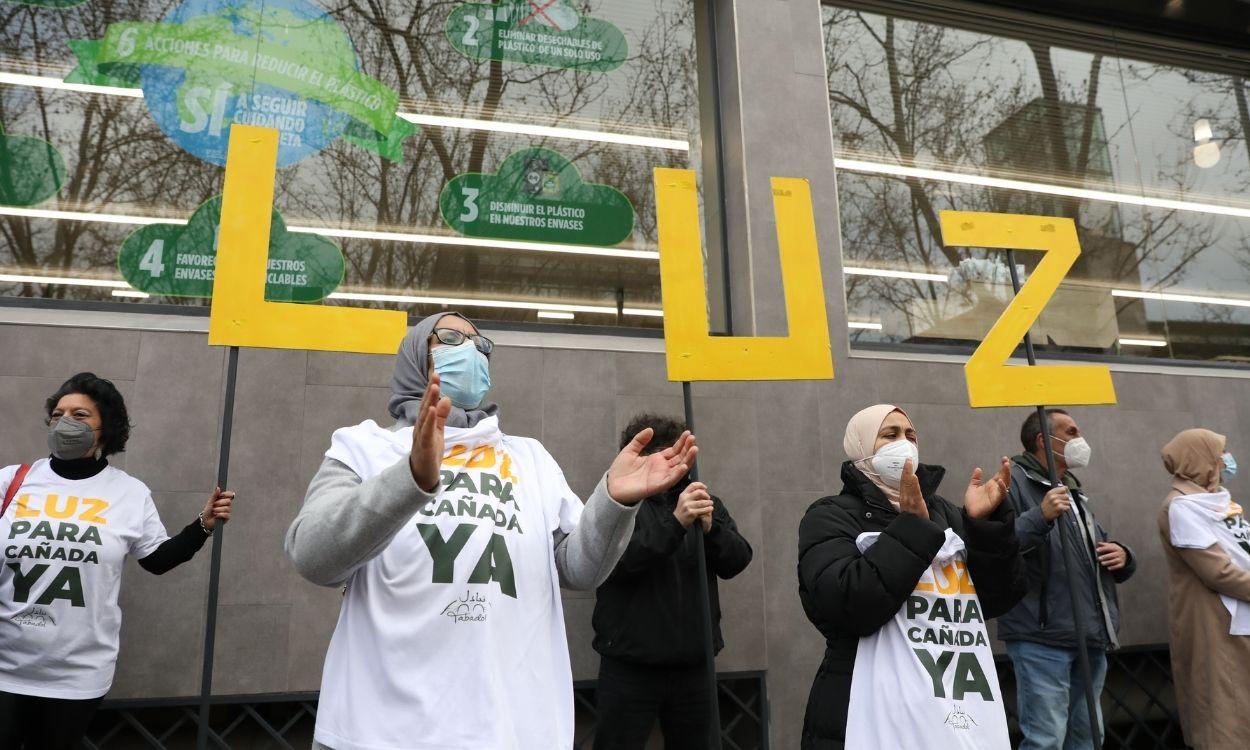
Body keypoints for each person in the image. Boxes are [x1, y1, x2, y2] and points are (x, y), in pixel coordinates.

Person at [285, 312, 698, 750]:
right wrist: (410, 479)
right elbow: (312, 554)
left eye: (480, 345)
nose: (471, 350)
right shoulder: (364, 446)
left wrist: (615, 500)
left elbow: (579, 569)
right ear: (414, 355)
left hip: (513, 729)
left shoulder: (530, 457)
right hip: (381, 730)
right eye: (449, 338)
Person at [0, 372, 234, 750]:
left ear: (105, 429)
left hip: (76, 674)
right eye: (58, 414)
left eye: (80, 415)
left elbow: (156, 560)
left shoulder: (129, 492)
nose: (65, 423)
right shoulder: (12, 481)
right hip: (4, 667)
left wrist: (202, 527)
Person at [797, 404, 1026, 750]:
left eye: (910, 435)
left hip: (950, 706)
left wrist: (986, 527)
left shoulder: (945, 512)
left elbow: (996, 599)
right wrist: (914, 529)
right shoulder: (830, 516)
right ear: (861, 446)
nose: (904, 443)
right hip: (867, 707)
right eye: (889, 435)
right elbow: (849, 605)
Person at [591, 414, 753, 750]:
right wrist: (676, 522)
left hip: (694, 667)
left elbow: (738, 560)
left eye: (683, 456)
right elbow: (618, 563)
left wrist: (712, 529)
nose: (677, 466)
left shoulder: (701, 498)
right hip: (630, 667)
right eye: (667, 456)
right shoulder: (618, 506)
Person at [997, 408, 1135, 750]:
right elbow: (995, 548)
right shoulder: (1010, 483)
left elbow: (1094, 548)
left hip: (1088, 637)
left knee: (1088, 737)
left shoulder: (1073, 491)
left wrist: (1124, 556)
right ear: (1045, 439)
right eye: (1072, 432)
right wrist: (1039, 517)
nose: (1080, 440)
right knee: (1046, 739)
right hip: (1041, 637)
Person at [1158, 428, 1250, 750]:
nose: (1226, 460)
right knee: (1226, 718)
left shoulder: (1217, 503)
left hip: (1240, 622)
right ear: (1200, 458)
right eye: (1219, 452)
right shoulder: (1180, 507)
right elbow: (1218, 572)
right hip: (1216, 625)